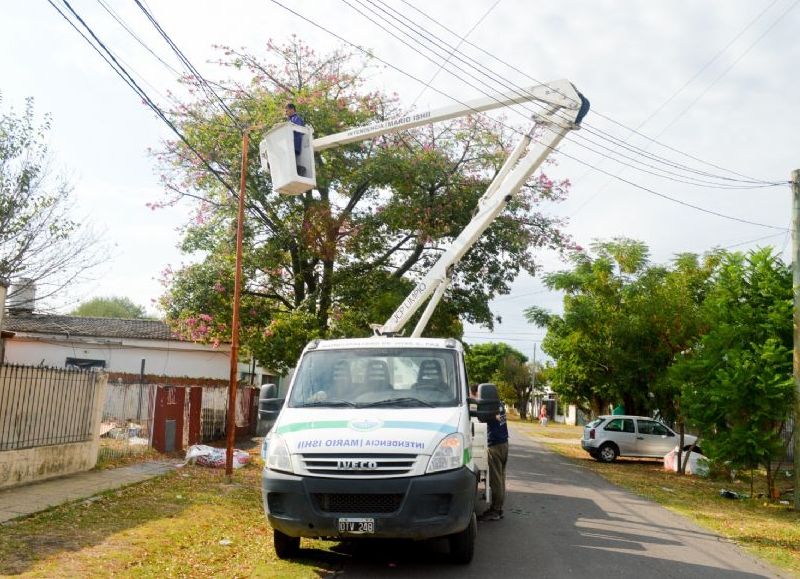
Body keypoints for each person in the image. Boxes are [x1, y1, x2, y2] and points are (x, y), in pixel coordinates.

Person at [473, 384, 508, 522]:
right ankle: (499, 508)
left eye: (475, 396)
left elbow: (481, 417)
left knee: (496, 480)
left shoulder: (488, 406)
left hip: (495, 445)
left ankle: (496, 510)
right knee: (501, 478)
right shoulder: (499, 404)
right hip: (504, 443)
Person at [285, 103, 307, 176]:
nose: (286, 113)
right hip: (291, 145)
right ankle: (298, 170)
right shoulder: (291, 120)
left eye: (287, 111)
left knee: (291, 162)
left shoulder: (296, 118)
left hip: (294, 144)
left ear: (292, 109)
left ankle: (300, 170)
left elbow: (296, 129)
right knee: (289, 162)